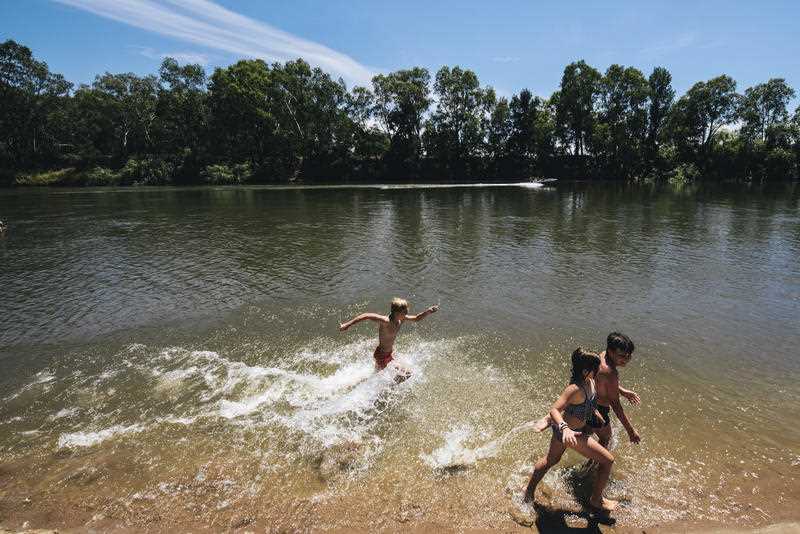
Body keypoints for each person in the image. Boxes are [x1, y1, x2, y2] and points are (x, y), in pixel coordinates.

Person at [523, 348, 618, 512]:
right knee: (607, 460)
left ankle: (528, 492)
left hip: (575, 431)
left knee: (551, 460)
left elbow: (591, 402)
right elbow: (554, 409)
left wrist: (595, 413)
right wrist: (565, 428)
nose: (600, 371)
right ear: (586, 370)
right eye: (597, 368)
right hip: (569, 433)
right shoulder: (575, 389)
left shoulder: (591, 381)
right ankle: (596, 500)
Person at [533, 332, 641, 448]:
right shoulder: (611, 373)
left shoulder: (601, 356)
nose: (626, 359)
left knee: (583, 435)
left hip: (585, 400)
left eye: (629, 355)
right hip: (595, 407)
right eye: (622, 355)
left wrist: (621, 391)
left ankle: (553, 422)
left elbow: (598, 379)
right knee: (605, 438)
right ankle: (594, 464)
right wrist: (630, 431)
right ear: (610, 351)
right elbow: (616, 405)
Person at [338, 298, 439, 377]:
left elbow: (417, 318)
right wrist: (347, 325)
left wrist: (428, 311)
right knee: (407, 374)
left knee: (377, 376)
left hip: (387, 354)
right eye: (405, 311)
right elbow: (366, 315)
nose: (407, 313)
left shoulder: (401, 319)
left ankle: (374, 389)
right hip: (381, 356)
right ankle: (387, 391)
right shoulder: (385, 321)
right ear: (397, 312)